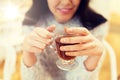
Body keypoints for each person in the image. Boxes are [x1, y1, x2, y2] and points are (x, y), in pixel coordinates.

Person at [21, 0, 109, 80]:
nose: (66, 2)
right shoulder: (31, 23)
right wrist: (27, 53)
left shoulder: (95, 26)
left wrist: (94, 58)